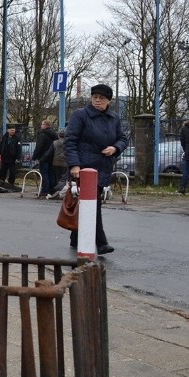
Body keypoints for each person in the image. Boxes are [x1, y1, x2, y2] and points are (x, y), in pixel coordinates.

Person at [63, 83, 128, 255]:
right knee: (94, 204)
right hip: (85, 168)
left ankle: (76, 237)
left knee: (86, 204)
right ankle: (101, 242)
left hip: (103, 167)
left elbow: (123, 138)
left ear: (108, 101)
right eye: (94, 97)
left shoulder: (114, 118)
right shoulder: (81, 115)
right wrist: (74, 164)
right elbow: (70, 141)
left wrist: (115, 148)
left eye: (102, 98)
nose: (97, 101)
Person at [32, 119, 58, 196]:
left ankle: (45, 190)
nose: (41, 125)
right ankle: (52, 189)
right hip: (52, 156)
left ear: (46, 125)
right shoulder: (54, 135)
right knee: (51, 173)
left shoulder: (42, 135)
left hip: (43, 156)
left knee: (44, 174)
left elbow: (39, 147)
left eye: (42, 124)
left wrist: (34, 156)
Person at [45, 129, 68, 199]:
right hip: (65, 163)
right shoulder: (68, 143)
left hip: (56, 162)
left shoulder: (54, 143)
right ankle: (63, 192)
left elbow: (49, 152)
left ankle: (57, 191)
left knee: (57, 178)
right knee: (64, 178)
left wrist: (43, 159)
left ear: (58, 135)